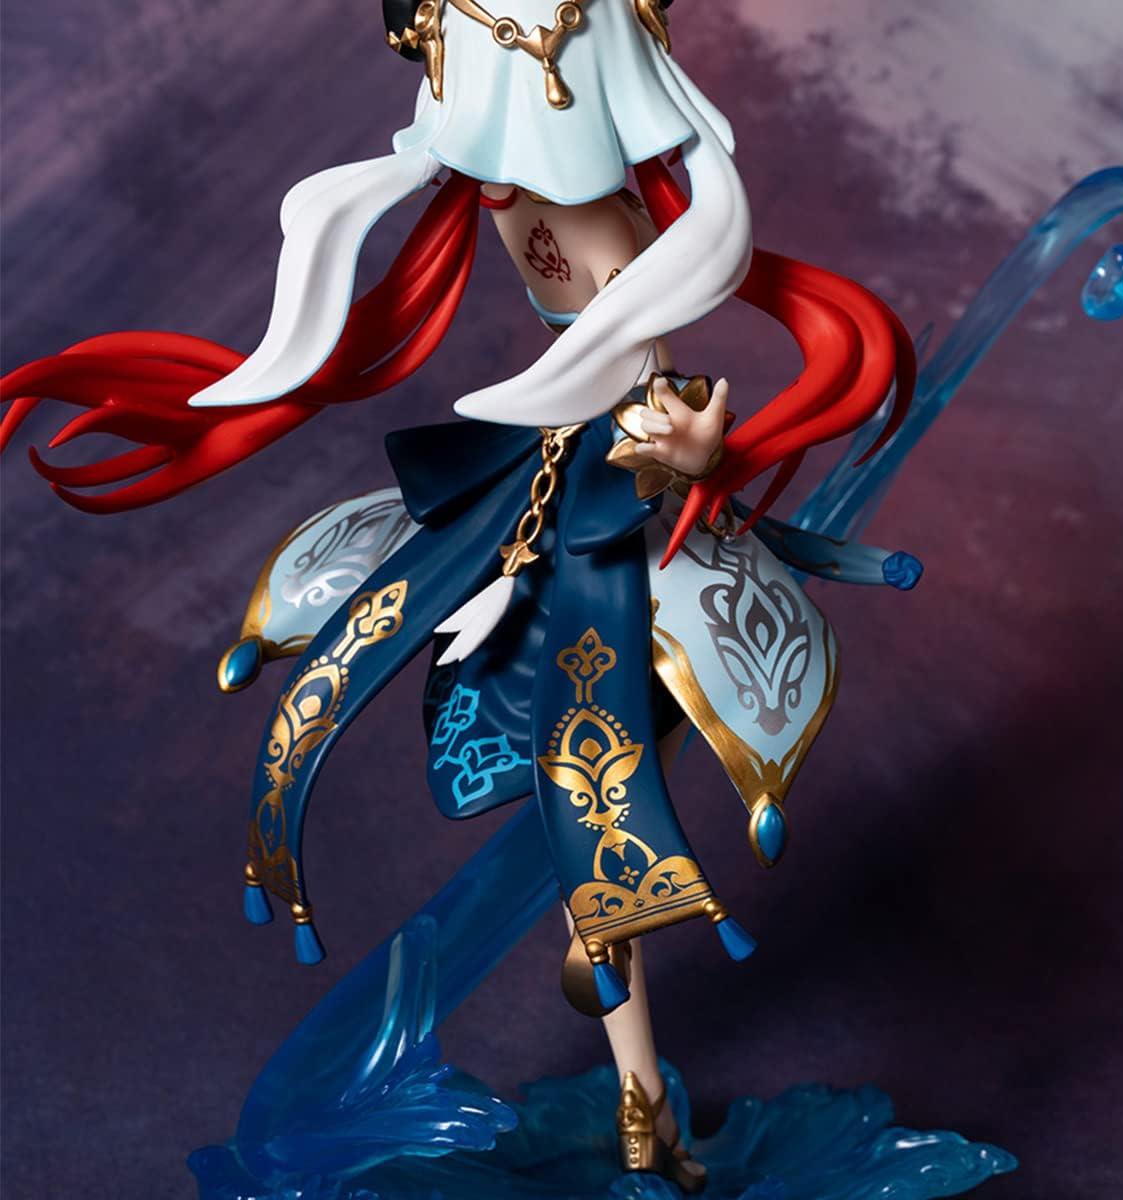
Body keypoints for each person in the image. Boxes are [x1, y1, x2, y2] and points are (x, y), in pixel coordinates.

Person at [0, 1, 921, 1190]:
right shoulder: (534, 191)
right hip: (571, 482)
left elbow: (645, 373)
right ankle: (635, 1075)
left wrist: (689, 446)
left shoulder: (554, 197)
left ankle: (635, 1071)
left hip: (591, 484)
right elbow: (631, 374)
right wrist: (675, 446)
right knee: (586, 766)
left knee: (599, 768)